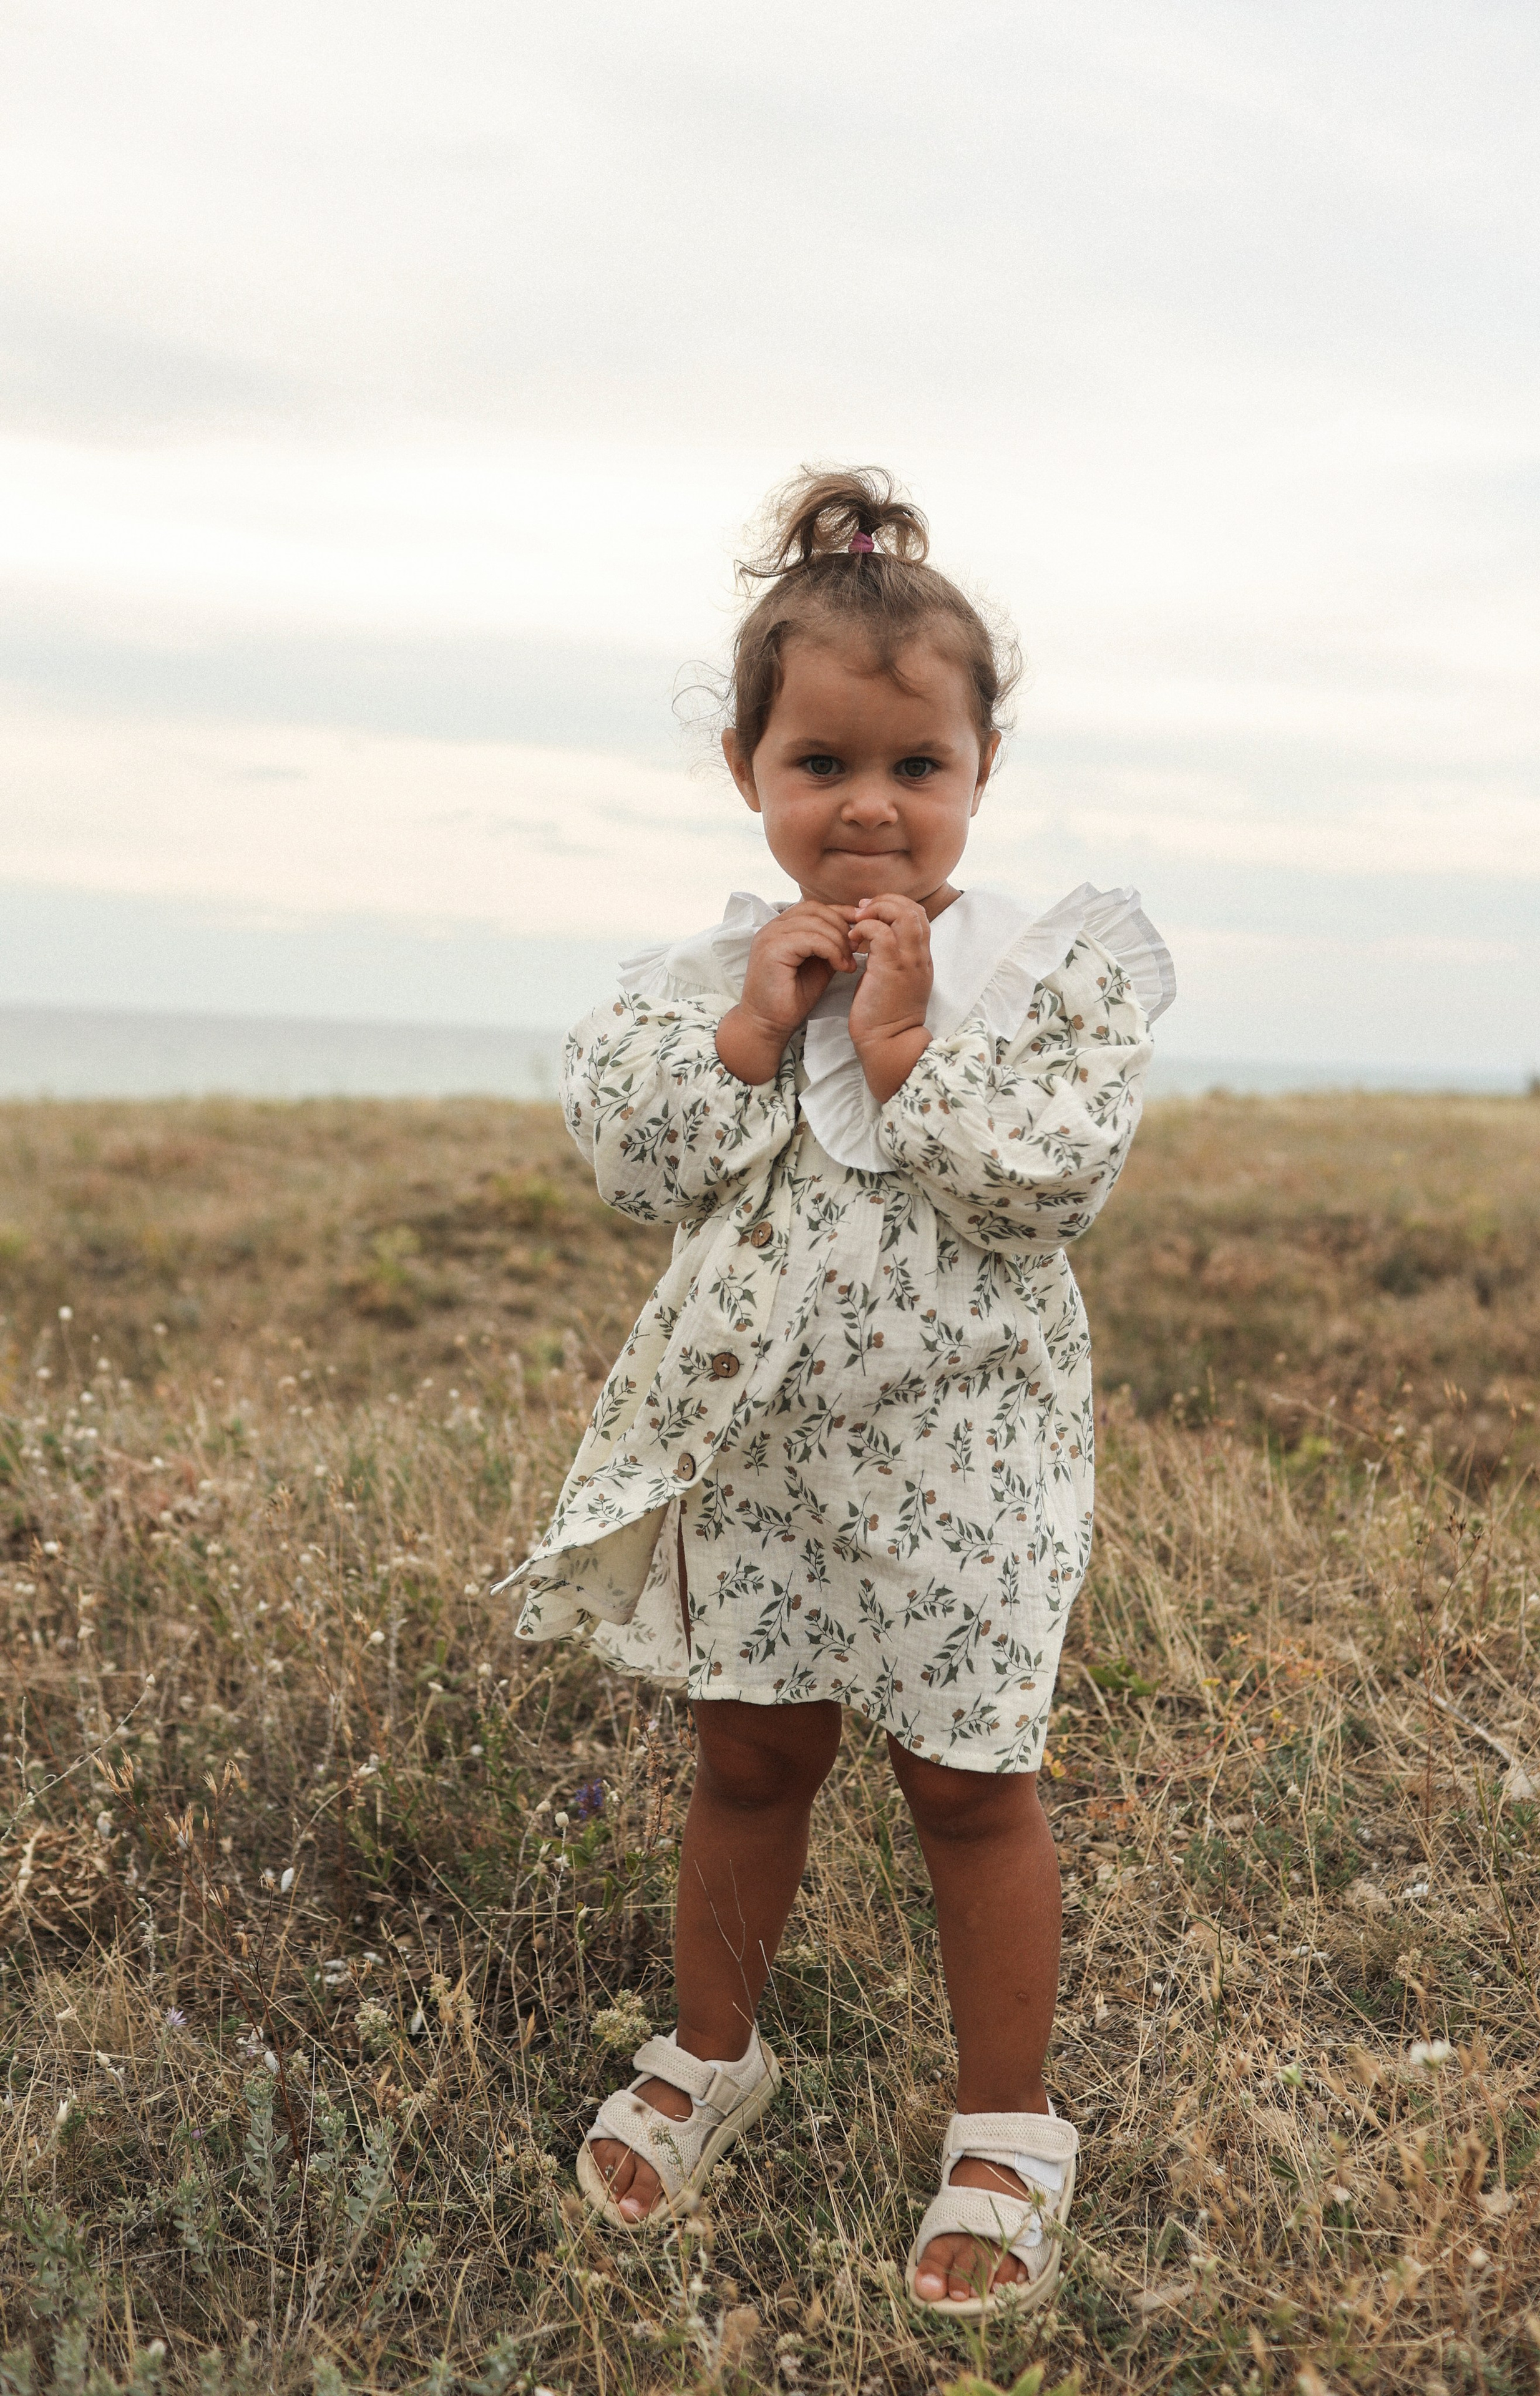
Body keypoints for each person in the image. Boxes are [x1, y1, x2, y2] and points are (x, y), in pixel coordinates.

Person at [498, 467, 1175, 2315]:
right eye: (820, 767)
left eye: (915, 766)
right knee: (749, 1755)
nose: (868, 806)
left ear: (976, 773)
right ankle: (715, 2052)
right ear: (750, 771)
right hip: (767, 1474)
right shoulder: (711, 978)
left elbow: (1050, 1186)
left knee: (969, 1784)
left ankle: (1006, 2124)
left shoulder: (1038, 983)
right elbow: (637, 1166)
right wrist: (753, 1030)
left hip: (967, 1478)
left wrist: (900, 1045)